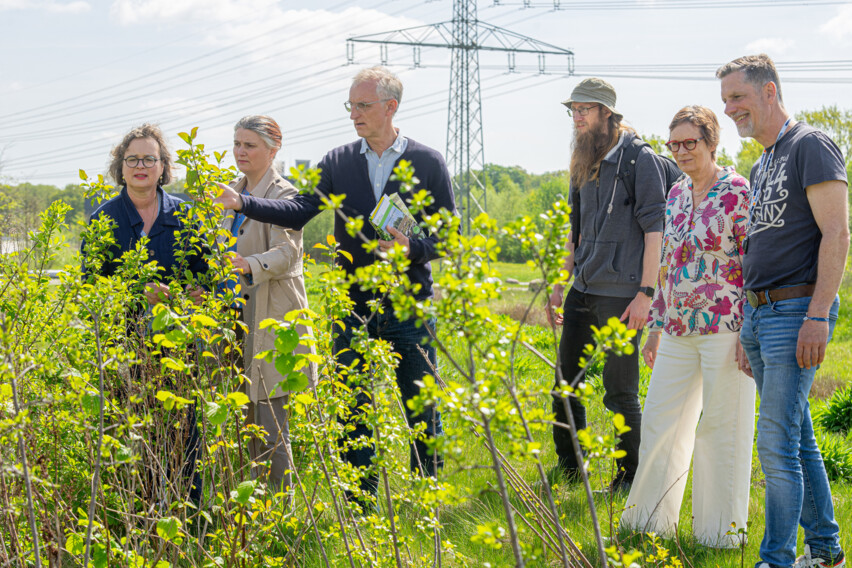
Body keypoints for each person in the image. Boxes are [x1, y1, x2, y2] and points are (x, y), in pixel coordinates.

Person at [214, 67, 456, 504]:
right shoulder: (338, 161)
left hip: (409, 305)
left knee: (421, 407)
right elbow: (301, 209)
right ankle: (358, 503)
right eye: (351, 105)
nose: (354, 115)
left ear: (390, 107)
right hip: (354, 305)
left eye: (362, 106)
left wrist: (413, 248)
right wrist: (244, 201)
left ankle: (428, 503)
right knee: (353, 410)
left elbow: (450, 235)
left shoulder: (428, 162)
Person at [717, 54, 848, 568]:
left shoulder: (809, 146)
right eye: (725, 99)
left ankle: (776, 559)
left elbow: (836, 234)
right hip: (761, 314)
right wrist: (747, 322)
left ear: (769, 92)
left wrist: (817, 315)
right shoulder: (762, 160)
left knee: (774, 444)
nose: (729, 109)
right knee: (797, 439)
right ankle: (826, 551)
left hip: (797, 309)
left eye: (738, 97)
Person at [620, 106, 756, 547]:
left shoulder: (737, 191)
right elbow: (666, 264)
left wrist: (749, 331)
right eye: (673, 144)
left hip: (726, 327)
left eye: (689, 143)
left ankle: (719, 536)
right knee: (661, 421)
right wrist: (656, 326)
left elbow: (754, 263)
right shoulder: (676, 193)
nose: (680, 151)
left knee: (721, 428)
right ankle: (647, 523)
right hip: (676, 327)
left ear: (712, 143)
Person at [546, 77, 666, 491]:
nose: (576, 117)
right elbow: (573, 230)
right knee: (565, 385)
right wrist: (561, 282)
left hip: (623, 293)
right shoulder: (582, 156)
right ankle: (569, 468)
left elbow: (656, 230)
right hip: (583, 287)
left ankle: (629, 478)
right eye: (573, 110)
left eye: (584, 109)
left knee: (619, 392)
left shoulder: (639, 159)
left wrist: (645, 295)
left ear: (607, 113)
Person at [85, 123, 208, 505]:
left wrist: (191, 297)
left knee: (186, 434)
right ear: (120, 167)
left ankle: (187, 521)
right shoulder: (103, 220)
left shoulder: (187, 217)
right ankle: (140, 521)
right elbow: (90, 293)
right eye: (132, 158)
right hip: (124, 350)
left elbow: (210, 279)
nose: (141, 166)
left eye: (149, 159)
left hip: (181, 348)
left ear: (163, 166)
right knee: (135, 437)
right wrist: (138, 292)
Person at [222, 115, 317, 493]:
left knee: (270, 421)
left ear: (274, 149)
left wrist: (251, 264)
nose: (240, 152)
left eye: (250, 145)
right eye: (237, 143)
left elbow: (287, 252)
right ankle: (244, 508)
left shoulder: (285, 196)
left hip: (270, 317)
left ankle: (280, 511)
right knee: (238, 416)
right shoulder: (228, 189)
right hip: (231, 317)